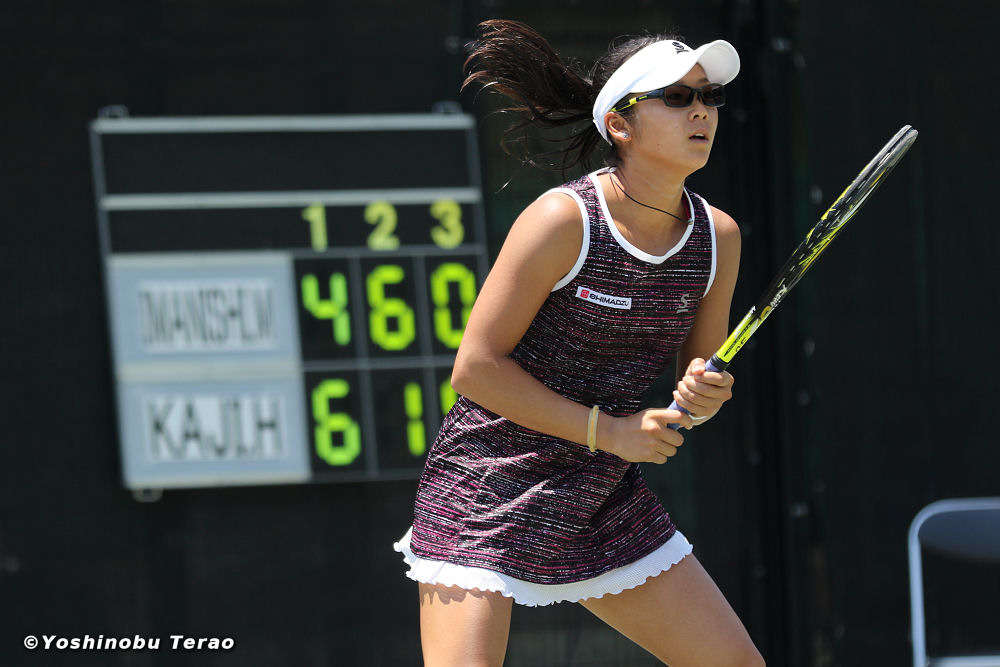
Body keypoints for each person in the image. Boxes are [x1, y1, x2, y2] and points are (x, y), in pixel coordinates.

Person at [394, 19, 764, 666]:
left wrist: (705, 395)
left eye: (710, 97)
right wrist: (611, 431)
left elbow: (698, 376)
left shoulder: (718, 237)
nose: (701, 111)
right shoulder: (562, 220)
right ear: (620, 125)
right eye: (676, 97)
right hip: (489, 484)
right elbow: (476, 368)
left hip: (602, 493)